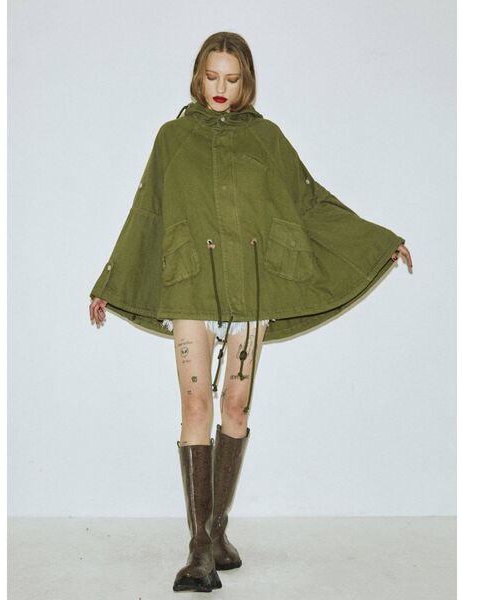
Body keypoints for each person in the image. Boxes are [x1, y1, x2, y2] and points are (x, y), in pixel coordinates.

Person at [88, 31, 413, 593]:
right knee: (195, 403)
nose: (221, 88)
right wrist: (109, 281)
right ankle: (198, 551)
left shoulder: (268, 138)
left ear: (247, 83)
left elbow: (310, 201)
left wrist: (377, 240)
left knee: (234, 406)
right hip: (191, 280)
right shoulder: (171, 138)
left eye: (232, 79)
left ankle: (217, 531)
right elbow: (147, 211)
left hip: (252, 286)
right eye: (212, 77)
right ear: (198, 77)